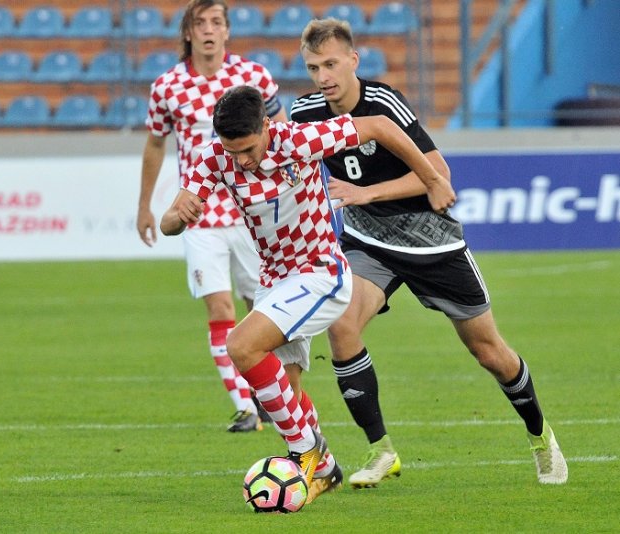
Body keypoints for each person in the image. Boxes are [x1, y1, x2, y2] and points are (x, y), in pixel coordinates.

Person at [290, 18, 568, 488]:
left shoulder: (381, 103)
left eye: (331, 64)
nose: (323, 77)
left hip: (431, 241)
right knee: (343, 324)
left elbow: (438, 176)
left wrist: (367, 193)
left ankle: (541, 436)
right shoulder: (305, 112)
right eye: (314, 67)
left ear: (354, 61)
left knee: (489, 352)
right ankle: (381, 451)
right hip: (370, 243)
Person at [160, 86, 455, 500]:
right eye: (233, 151)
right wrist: (177, 216)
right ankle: (326, 468)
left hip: (320, 274)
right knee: (287, 394)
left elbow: (380, 126)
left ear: (266, 126)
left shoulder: (299, 139)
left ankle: (305, 454)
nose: (241, 160)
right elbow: (169, 223)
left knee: (242, 346)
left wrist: (433, 179)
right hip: (274, 281)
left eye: (247, 149)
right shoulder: (215, 157)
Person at [137, 0, 289, 433]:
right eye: (199, 23)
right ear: (188, 32)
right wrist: (146, 205)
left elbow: (282, 132)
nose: (208, 30)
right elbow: (154, 144)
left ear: (227, 31)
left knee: (260, 308)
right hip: (199, 214)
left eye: (216, 22)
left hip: (252, 212)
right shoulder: (167, 86)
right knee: (219, 305)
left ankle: (270, 396)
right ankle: (245, 405)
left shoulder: (254, 77)